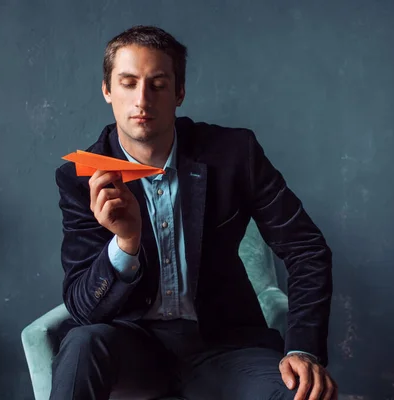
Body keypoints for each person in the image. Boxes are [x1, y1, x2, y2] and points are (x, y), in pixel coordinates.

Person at [50, 25, 337, 400]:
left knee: (305, 395)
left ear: (179, 92)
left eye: (157, 84)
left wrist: (303, 350)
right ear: (107, 90)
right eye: (127, 83)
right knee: (82, 342)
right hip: (132, 349)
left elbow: (306, 248)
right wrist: (126, 242)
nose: (142, 100)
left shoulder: (234, 153)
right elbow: (84, 307)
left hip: (225, 346)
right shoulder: (81, 176)